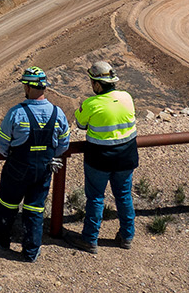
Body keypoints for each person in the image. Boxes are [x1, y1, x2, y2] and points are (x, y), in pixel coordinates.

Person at [0, 66, 70, 263]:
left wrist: (12, 156)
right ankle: (31, 251)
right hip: (43, 169)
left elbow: (3, 143)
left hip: (17, 167)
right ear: (44, 87)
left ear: (27, 87)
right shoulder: (58, 114)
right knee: (35, 208)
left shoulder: (16, 113)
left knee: (8, 203)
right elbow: (63, 144)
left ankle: (1, 238)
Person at [68, 61, 138, 253]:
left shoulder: (91, 104)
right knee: (124, 196)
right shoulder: (127, 97)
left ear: (97, 85)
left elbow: (81, 125)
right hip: (126, 157)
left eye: (92, 81)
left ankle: (90, 239)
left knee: (96, 197)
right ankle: (127, 237)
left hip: (99, 159)